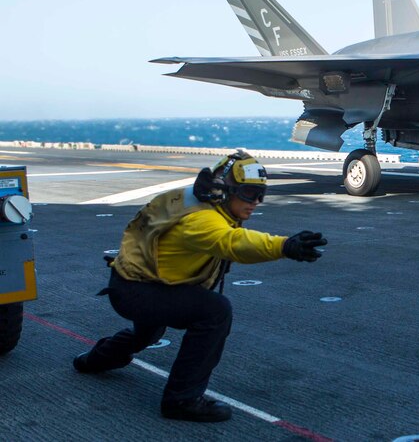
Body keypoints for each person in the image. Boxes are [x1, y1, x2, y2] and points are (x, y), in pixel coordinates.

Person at [73, 151, 327, 423]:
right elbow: (232, 242)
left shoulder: (199, 200)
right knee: (215, 311)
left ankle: (94, 360)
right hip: (139, 290)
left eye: (261, 195)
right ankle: (181, 400)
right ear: (225, 190)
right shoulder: (200, 218)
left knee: (149, 330)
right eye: (250, 193)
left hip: (139, 283)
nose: (256, 202)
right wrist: (284, 246)